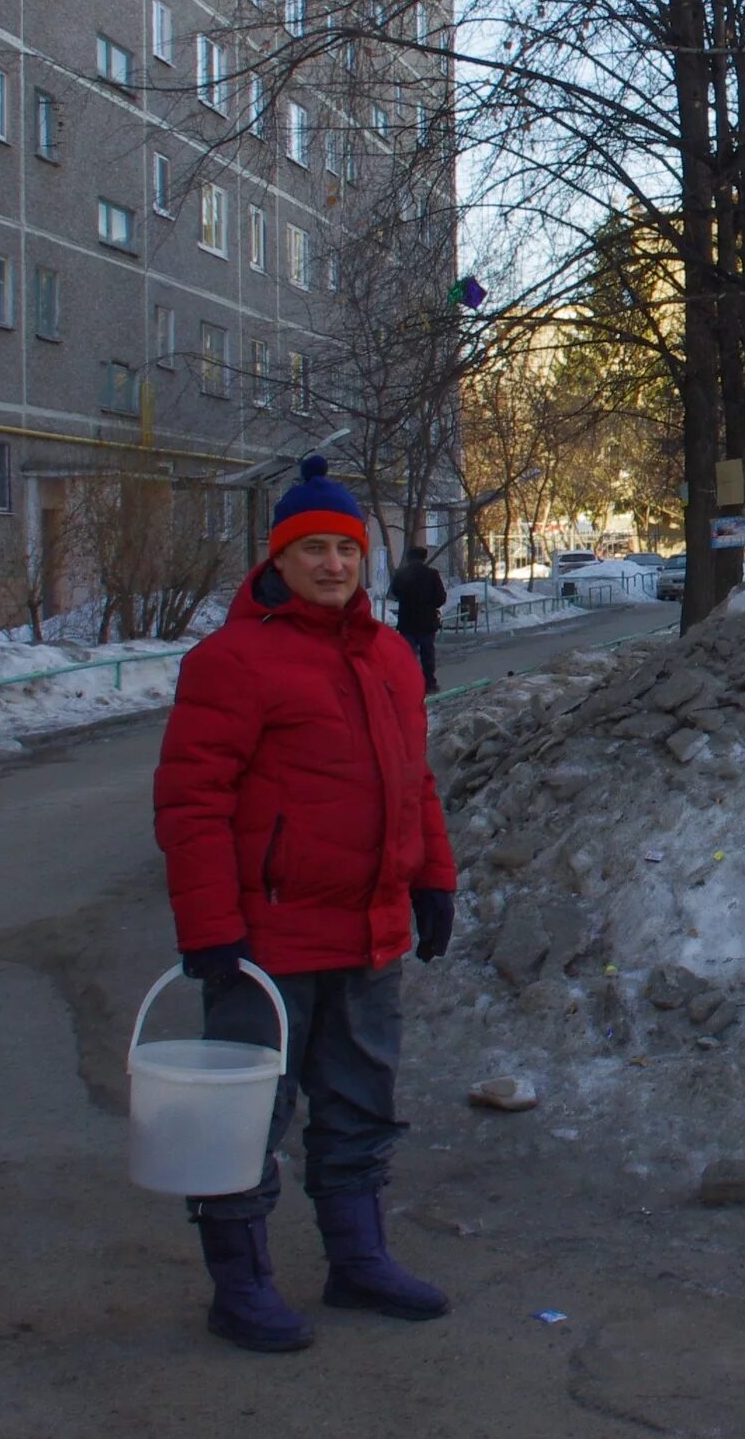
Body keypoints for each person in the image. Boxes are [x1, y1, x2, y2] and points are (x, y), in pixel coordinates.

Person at [151, 455, 458, 1355]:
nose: (334, 565)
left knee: (362, 1100)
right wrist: (211, 928)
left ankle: (357, 1261)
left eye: (347, 548)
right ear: (277, 559)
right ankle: (239, 1287)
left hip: (368, 931)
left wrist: (433, 876)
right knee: (247, 1114)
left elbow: (415, 781)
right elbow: (191, 801)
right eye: (314, 549)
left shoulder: (393, 656)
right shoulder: (230, 662)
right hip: (267, 942)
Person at [386, 541, 448, 694]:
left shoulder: (401, 574)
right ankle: (429, 683)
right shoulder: (432, 574)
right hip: (427, 622)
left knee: (408, 654)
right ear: (424, 558)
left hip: (407, 621)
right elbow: (441, 598)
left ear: (408, 558)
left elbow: (394, 593)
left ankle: (409, 683)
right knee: (427, 653)